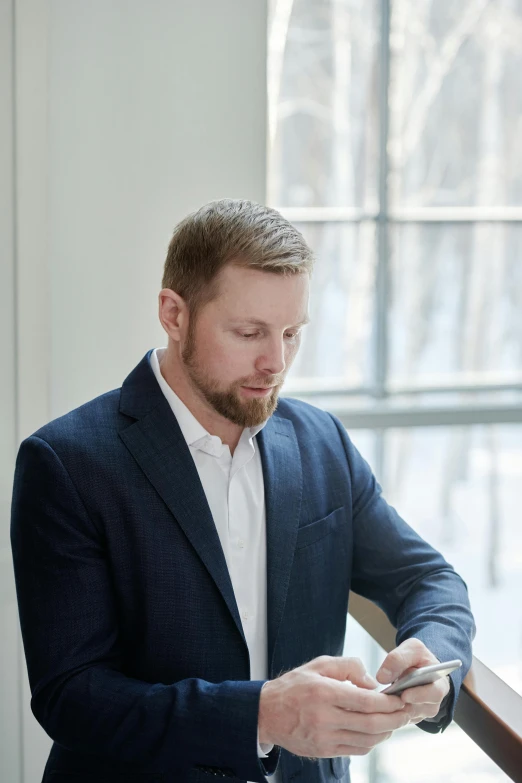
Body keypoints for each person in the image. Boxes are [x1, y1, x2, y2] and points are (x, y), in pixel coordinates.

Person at [10, 199, 475, 783]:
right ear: (173, 314)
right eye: (248, 332)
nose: (274, 362)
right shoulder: (67, 464)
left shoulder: (321, 441)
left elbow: (429, 579)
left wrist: (430, 657)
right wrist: (260, 715)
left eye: (291, 333)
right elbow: (72, 696)